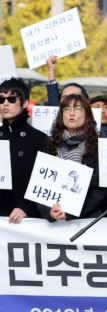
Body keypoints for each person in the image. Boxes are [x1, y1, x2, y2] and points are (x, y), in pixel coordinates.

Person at [37, 94, 107, 221]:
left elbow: (99, 191)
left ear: (87, 114)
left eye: (78, 109)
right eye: (67, 109)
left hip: (86, 221)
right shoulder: (50, 145)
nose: (72, 113)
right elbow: (40, 184)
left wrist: (71, 213)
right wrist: (49, 212)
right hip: (52, 222)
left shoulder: (98, 146)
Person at [0, 78, 47, 222]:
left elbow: (44, 183)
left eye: (12, 99)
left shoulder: (40, 139)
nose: (5, 103)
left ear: (25, 103)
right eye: (1, 99)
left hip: (25, 220)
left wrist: (27, 207)